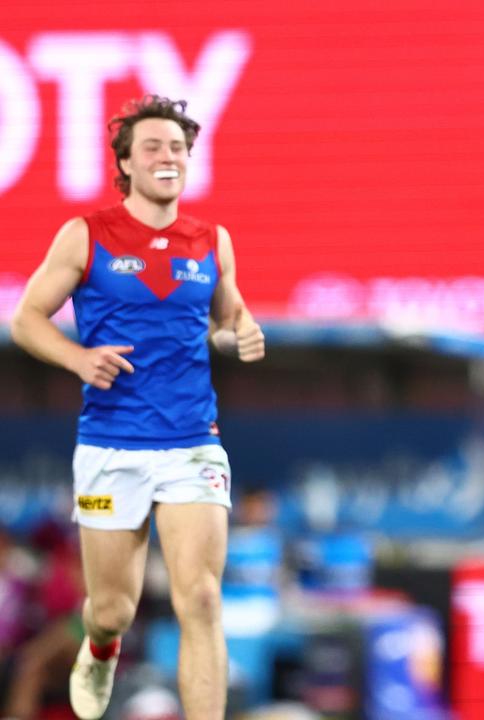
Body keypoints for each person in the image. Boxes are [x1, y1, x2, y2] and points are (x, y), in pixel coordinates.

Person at [9, 95, 265, 720]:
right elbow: (25, 319)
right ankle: (99, 647)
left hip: (192, 443)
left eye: (177, 147)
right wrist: (77, 359)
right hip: (110, 444)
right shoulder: (86, 235)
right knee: (112, 607)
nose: (167, 156)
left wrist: (243, 331)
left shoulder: (212, 240)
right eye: (152, 147)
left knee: (201, 598)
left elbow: (229, 316)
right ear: (126, 162)